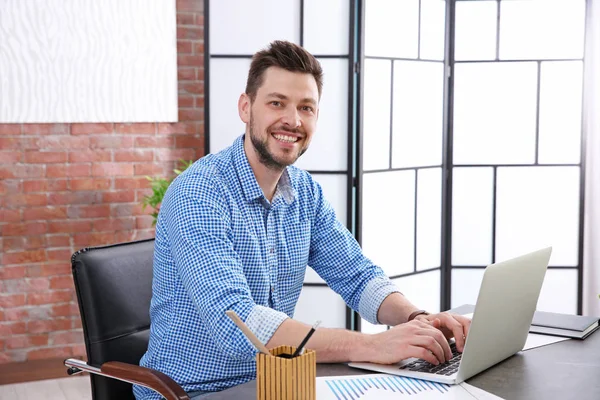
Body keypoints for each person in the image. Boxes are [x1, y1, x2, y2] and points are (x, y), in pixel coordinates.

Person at [133, 40, 471, 400]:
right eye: (276, 102)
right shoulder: (199, 194)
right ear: (246, 107)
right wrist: (373, 346)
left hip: (276, 384)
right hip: (191, 393)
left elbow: (357, 276)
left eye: (306, 107)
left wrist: (415, 318)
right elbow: (237, 325)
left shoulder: (305, 193)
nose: (293, 120)